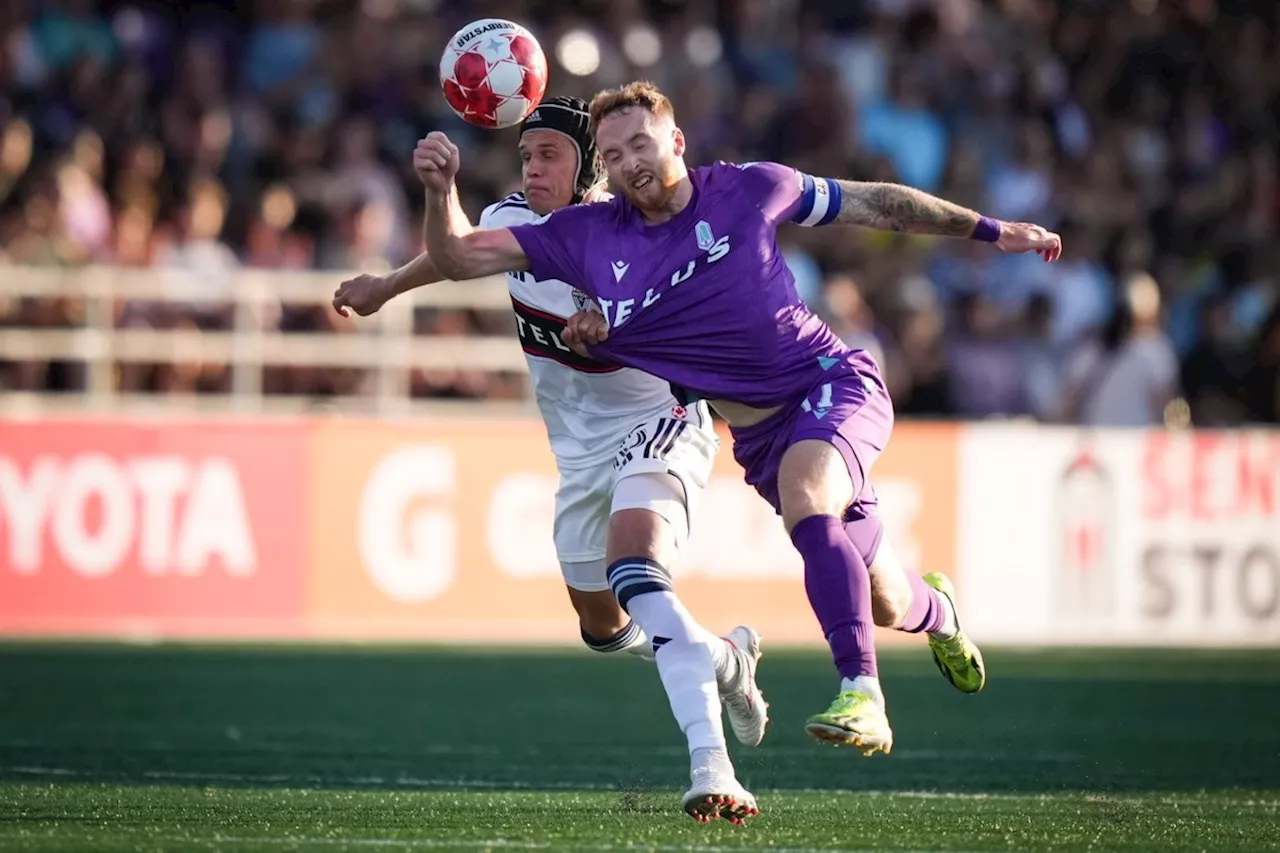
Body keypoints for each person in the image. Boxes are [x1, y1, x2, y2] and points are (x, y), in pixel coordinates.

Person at [415, 80, 1064, 785]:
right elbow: (459, 257)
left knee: (810, 495)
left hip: (829, 384)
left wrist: (993, 231)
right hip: (757, 436)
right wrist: (440, 189)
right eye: (614, 152)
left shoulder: (751, 189)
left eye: (641, 142)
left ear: (676, 141)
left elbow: (877, 201)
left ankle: (862, 693)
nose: (631, 161)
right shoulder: (588, 237)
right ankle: (938, 611)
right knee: (888, 598)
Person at [332, 97, 767, 825]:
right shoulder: (516, 218)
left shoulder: (629, 230)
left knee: (641, 576)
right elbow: (456, 253)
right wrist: (410, 247)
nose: (531, 168)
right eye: (526, 155)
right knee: (602, 625)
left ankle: (711, 765)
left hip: (661, 421)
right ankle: (724, 659)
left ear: (590, 167)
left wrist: (619, 319)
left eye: (549, 157)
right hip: (580, 449)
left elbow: (688, 305)